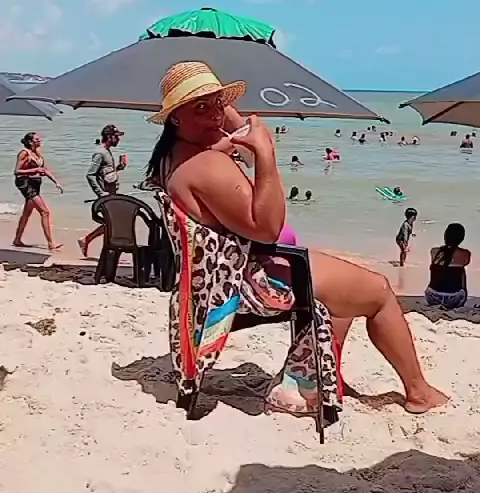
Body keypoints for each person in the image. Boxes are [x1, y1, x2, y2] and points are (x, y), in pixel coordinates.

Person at [146, 61, 447, 415]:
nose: (215, 116)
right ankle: (418, 392)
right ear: (175, 118)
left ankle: (313, 380)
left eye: (218, 104)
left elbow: (232, 136)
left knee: (347, 289)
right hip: (251, 279)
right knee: (379, 291)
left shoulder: (176, 156)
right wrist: (266, 154)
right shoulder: (207, 165)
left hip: (216, 279)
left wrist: (221, 117)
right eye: (200, 107)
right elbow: (267, 228)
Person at [78, 124, 126, 257]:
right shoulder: (100, 153)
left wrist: (118, 168)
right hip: (106, 196)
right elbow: (90, 175)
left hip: (111, 194)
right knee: (112, 224)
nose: (118, 139)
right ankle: (94, 244)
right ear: (109, 137)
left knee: (111, 224)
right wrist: (101, 194)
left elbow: (105, 173)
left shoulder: (107, 151)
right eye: (116, 136)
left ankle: (100, 248)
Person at [13, 132, 63, 251]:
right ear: (30, 142)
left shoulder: (37, 153)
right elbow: (17, 171)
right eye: (37, 139)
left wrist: (55, 182)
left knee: (27, 213)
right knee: (45, 212)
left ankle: (17, 240)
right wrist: (35, 170)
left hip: (35, 183)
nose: (40, 140)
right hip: (25, 183)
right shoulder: (24, 153)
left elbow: (43, 170)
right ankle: (51, 244)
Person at [425, 224, 470, 310]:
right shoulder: (465, 253)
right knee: (461, 269)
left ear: (445, 236)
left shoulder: (434, 251)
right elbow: (465, 263)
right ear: (461, 238)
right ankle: (463, 298)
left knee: (438, 268)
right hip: (452, 299)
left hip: (432, 296)